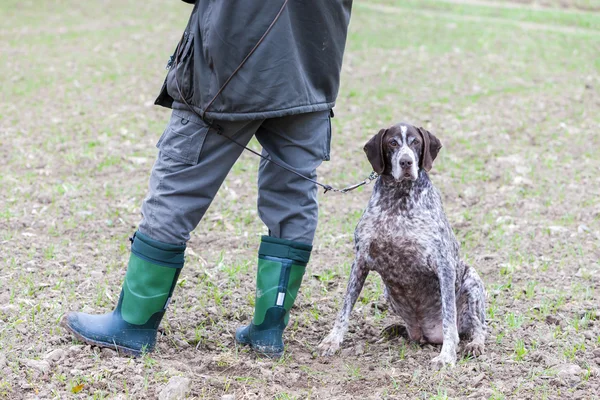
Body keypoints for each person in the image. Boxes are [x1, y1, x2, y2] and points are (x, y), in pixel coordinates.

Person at [62, 0, 353, 359]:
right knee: (293, 197)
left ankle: (133, 324)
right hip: (313, 69)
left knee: (177, 187)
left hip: (231, 71)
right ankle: (268, 331)